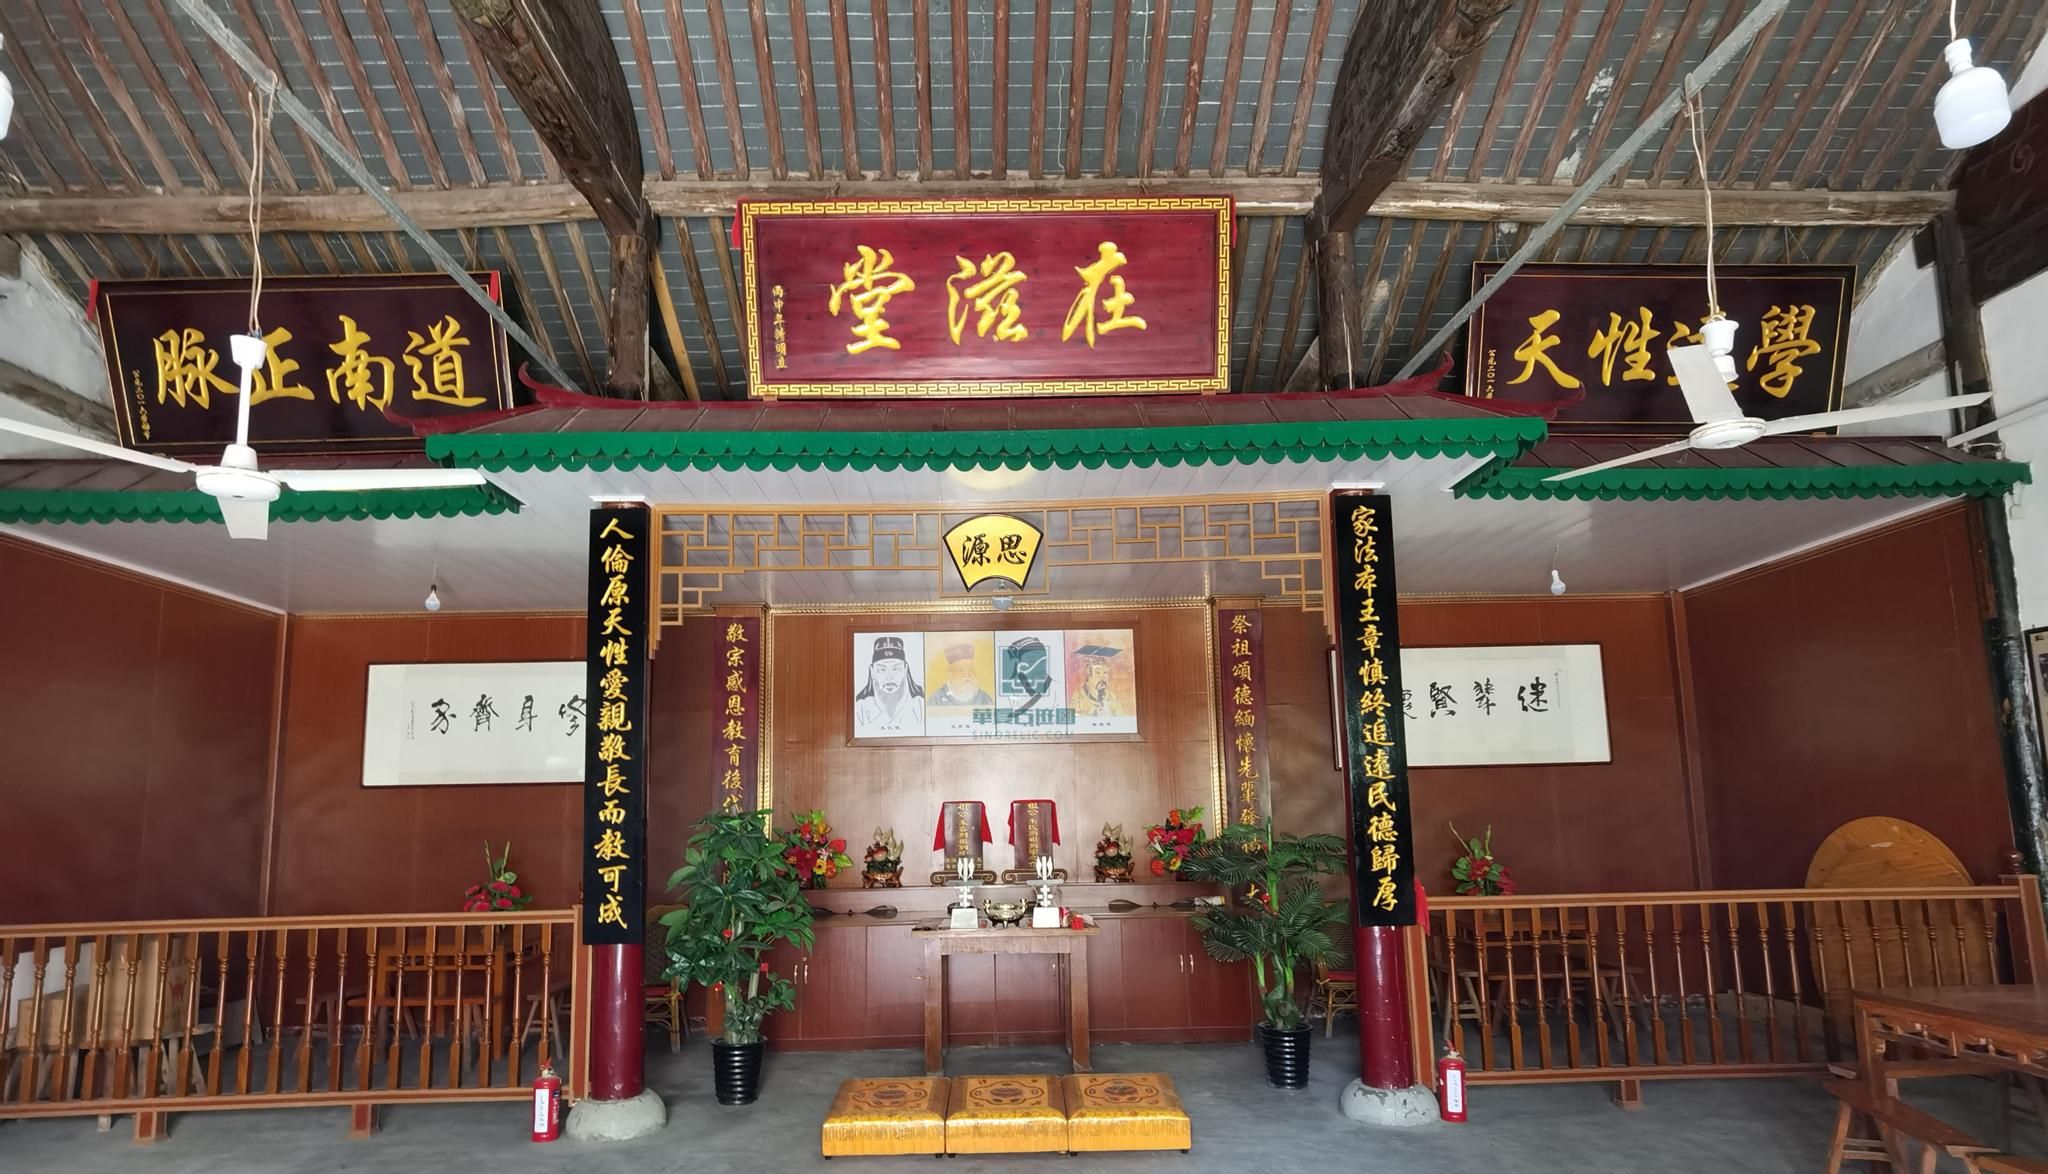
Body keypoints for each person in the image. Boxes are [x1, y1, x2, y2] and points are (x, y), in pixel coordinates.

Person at [855, 635, 925, 733]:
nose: (889, 678)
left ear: (905, 669)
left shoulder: (919, 704)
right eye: (882, 670)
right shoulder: (860, 708)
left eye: (896, 669)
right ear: (872, 671)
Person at [931, 642, 993, 707]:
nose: (967, 674)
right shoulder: (936, 699)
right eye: (961, 670)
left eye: (970, 669)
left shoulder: (984, 698)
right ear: (950, 672)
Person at [1073, 643, 1122, 717]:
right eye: (1098, 673)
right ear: (1089, 672)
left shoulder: (1112, 697)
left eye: (1105, 673)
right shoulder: (1078, 698)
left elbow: (1123, 717)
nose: (1102, 677)